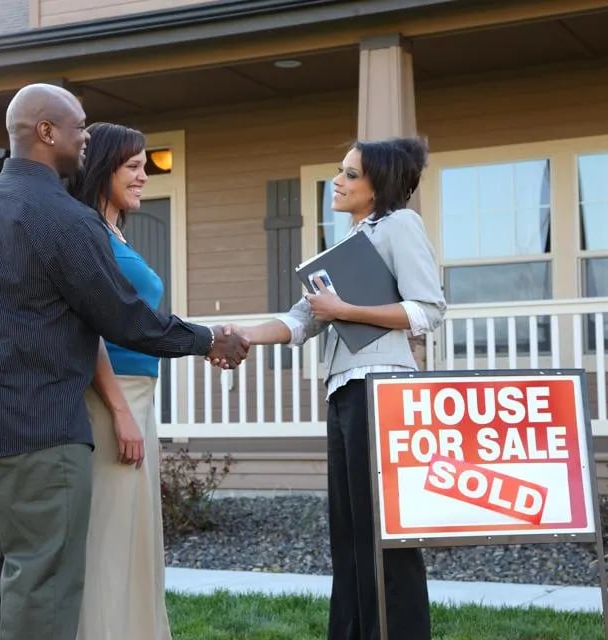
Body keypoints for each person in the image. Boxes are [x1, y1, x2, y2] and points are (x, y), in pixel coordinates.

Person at [0, 83, 248, 640]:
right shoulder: (62, 217)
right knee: (41, 584)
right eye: (78, 127)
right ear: (46, 132)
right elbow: (124, 318)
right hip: (42, 434)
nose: (85, 139)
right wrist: (208, 340)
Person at [218, 137, 446, 640]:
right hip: (345, 392)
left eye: (349, 175)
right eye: (338, 172)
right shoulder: (347, 246)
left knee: (385, 531)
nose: (337, 183)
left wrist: (346, 310)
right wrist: (242, 335)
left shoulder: (399, 225)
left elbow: (427, 310)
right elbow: (302, 321)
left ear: (377, 185)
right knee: (349, 531)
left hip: (383, 389)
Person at [70, 122, 173, 640]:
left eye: (145, 167)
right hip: (111, 402)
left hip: (139, 398)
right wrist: (118, 410)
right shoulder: (87, 232)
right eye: (133, 167)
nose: (143, 177)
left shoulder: (114, 232)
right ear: (102, 167)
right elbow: (87, 330)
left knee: (135, 537)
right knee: (110, 538)